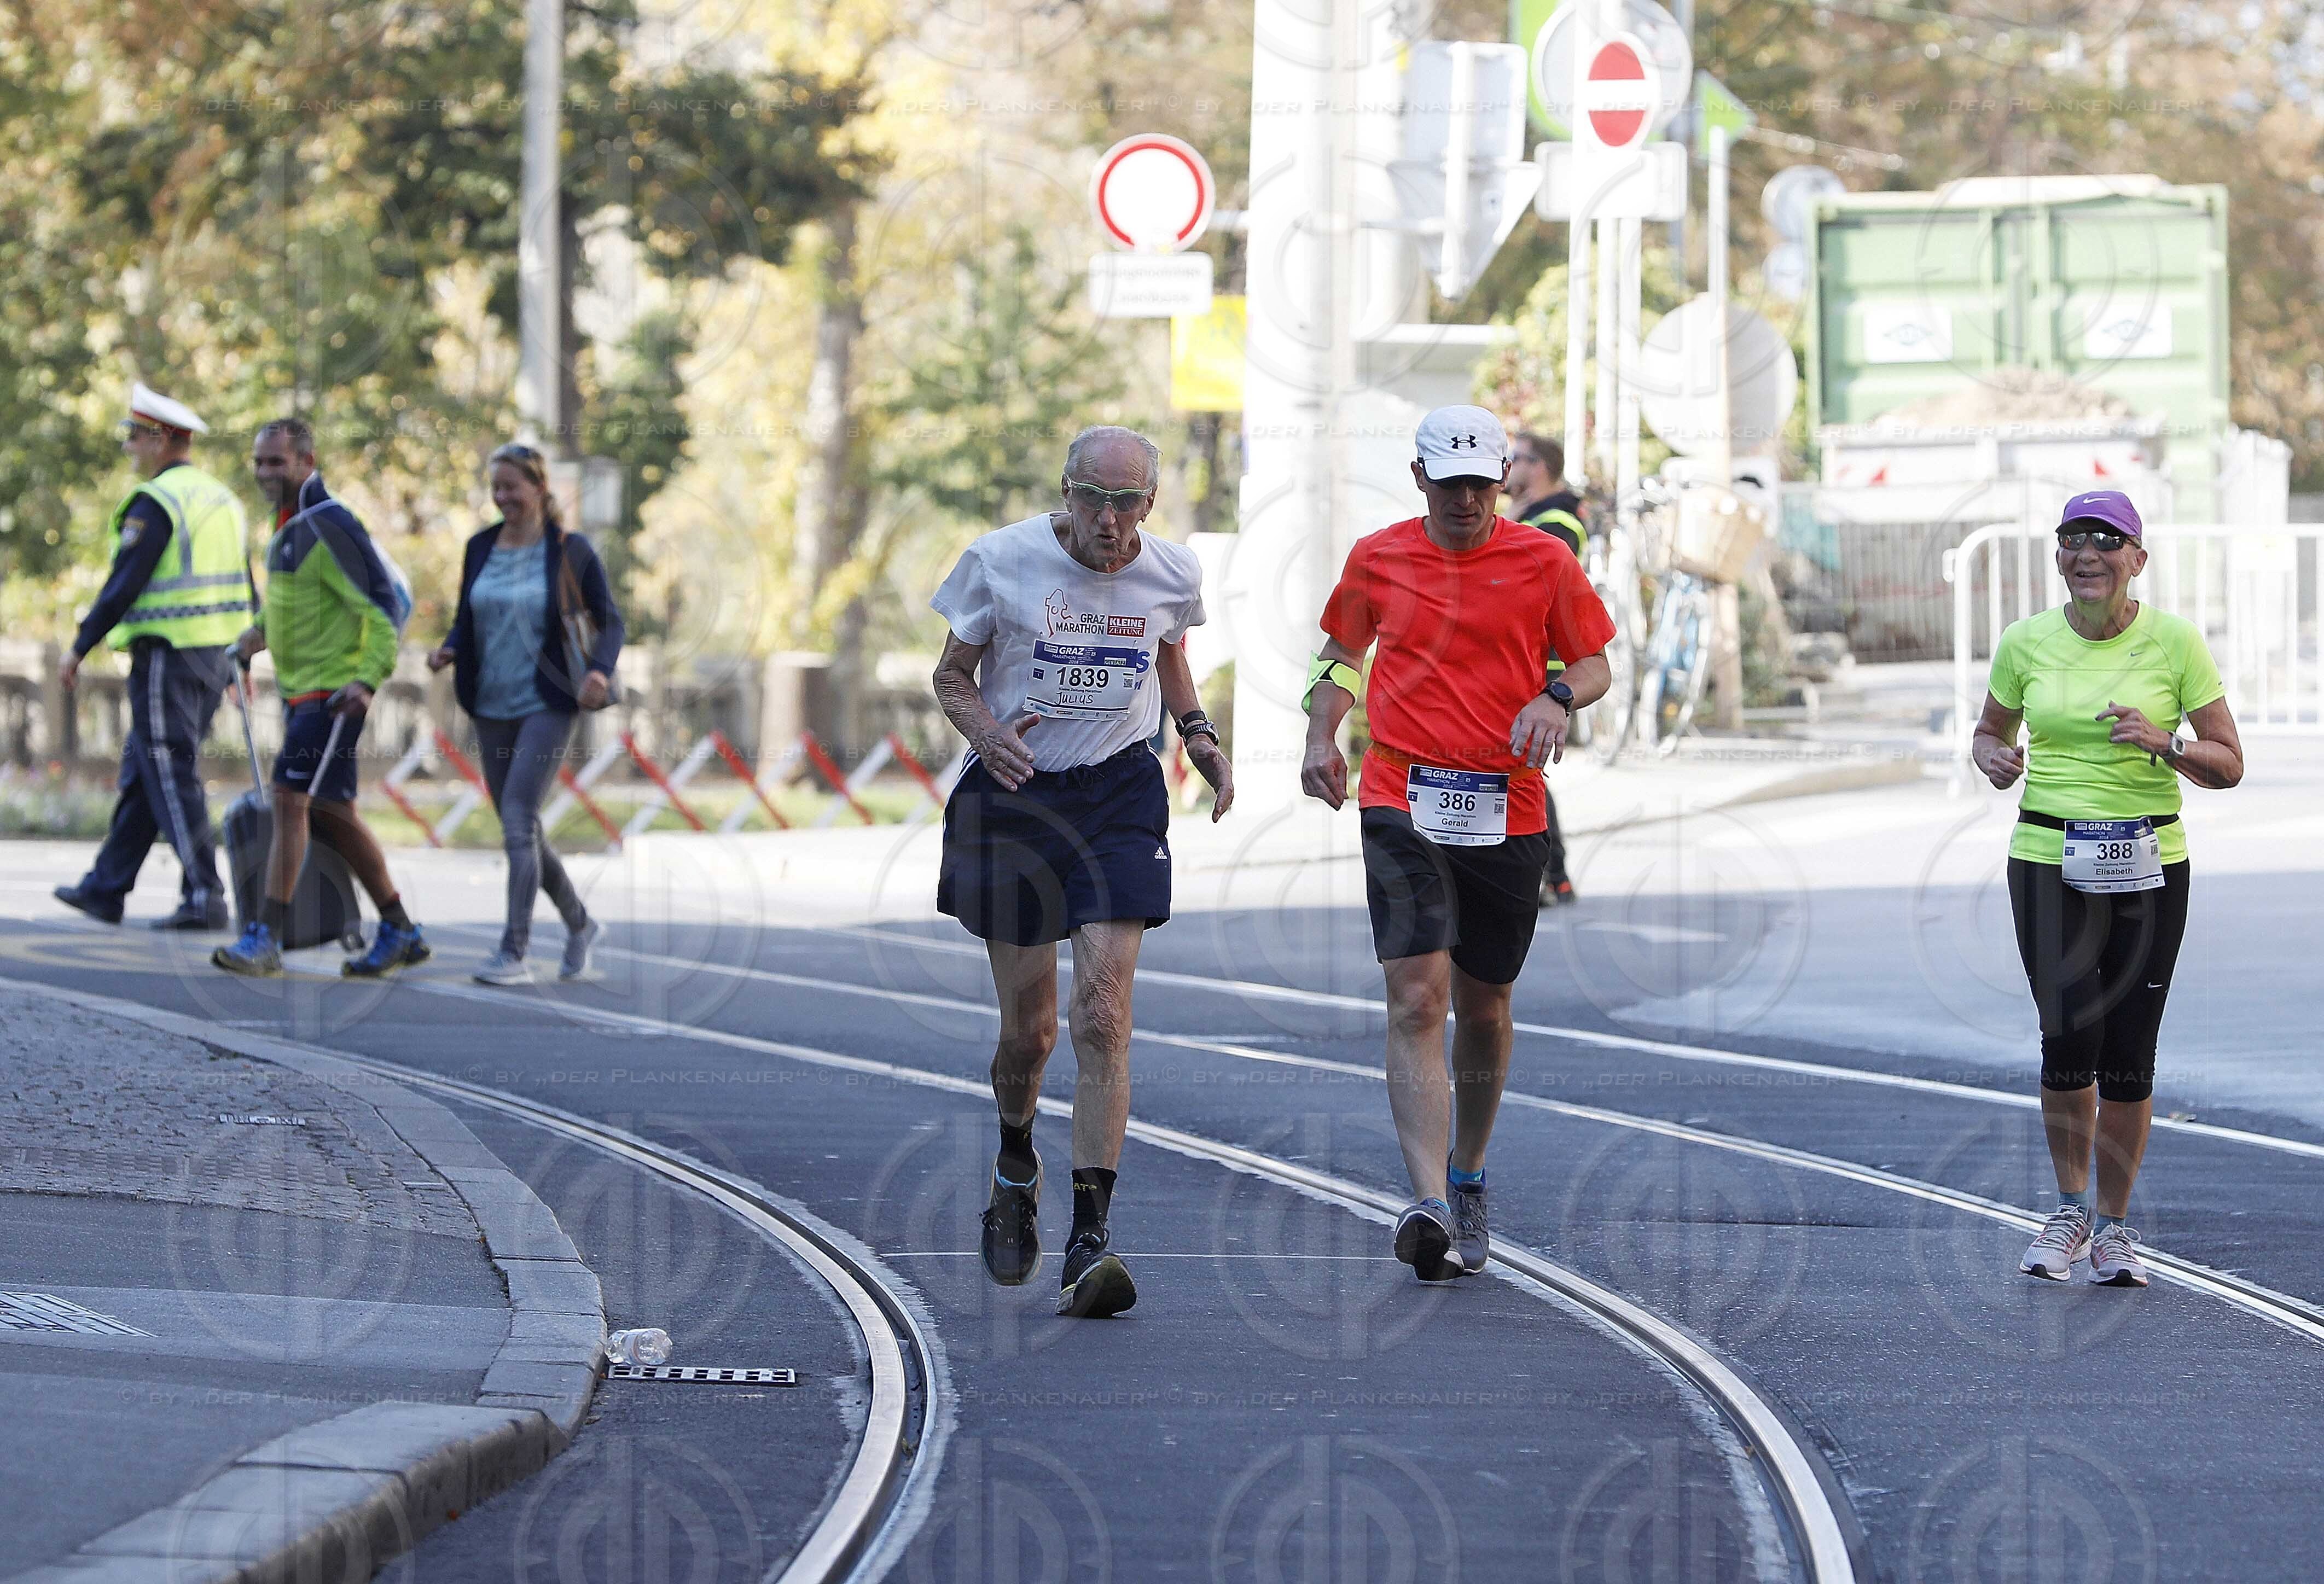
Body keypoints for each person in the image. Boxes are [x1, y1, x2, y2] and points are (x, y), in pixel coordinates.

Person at [1300, 405, 1616, 1282]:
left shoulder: (1544, 560)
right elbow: (1338, 656)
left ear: (1503, 479)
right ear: (1420, 479)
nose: (1469, 500)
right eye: (1451, 485)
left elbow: (1595, 663)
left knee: (1484, 1009)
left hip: (1506, 805)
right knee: (1416, 1000)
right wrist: (1322, 736)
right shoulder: (1380, 555)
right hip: (1401, 792)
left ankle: (1469, 1174)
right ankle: (1430, 1200)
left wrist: (1556, 697)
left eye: (1483, 483)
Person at [929, 425, 1233, 1319]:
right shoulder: (1000, 561)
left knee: (1104, 1010)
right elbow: (950, 676)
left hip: (1116, 796)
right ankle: (1014, 1157)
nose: (1109, 519)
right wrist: (986, 734)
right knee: (1032, 1033)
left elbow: (1167, 649)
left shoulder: (1172, 572)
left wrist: (1197, 735)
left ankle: (1090, 1237)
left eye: (1128, 501)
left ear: (1151, 502)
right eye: (1093, 498)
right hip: (1015, 799)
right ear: (1065, 492)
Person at [1972, 491, 2242, 1288]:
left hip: (2149, 862)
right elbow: (1991, 730)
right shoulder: (2025, 643)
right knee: (2068, 1040)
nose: (2087, 554)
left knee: (2129, 1051)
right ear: (2058, 558)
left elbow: (2228, 763)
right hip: (2049, 856)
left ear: (2137, 560)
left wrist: (2168, 744)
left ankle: (2118, 1230)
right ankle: (2069, 1209)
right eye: (2071, 541)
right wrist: (1990, 756)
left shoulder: (2175, 643)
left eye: (2106, 540)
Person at [212, 418, 432, 978]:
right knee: (333, 816)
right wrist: (252, 637)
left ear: (307, 461)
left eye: (276, 462)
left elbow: (381, 607)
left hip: (331, 697)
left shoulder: (330, 523)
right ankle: (400, 927)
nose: (264, 472)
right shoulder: (288, 525)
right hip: (301, 694)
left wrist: (367, 680)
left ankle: (265, 937)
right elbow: (294, 604)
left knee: (289, 800)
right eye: (259, 461)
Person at [426, 442, 621, 986]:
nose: (503, 497)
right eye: (497, 487)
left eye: (513, 486)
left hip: (550, 700)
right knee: (523, 827)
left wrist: (599, 671)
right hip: (490, 701)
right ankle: (580, 923)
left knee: (517, 816)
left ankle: (514, 953)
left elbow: (611, 621)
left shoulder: (569, 550)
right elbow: (467, 615)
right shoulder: (480, 546)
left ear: (540, 488)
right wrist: (448, 648)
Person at [52, 385, 245, 931]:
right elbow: (247, 589)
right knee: (148, 767)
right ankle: (106, 887)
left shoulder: (158, 502)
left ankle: (205, 894)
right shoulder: (223, 499)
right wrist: (243, 665)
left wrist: (79, 645)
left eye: (135, 436)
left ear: (162, 439)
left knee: (167, 768)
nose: (130, 447)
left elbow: (124, 584)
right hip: (213, 657)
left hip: (168, 654)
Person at [1504, 433, 1590, 907]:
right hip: (1525, 666)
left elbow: (1529, 570)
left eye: (1514, 459)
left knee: (1524, 771)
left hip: (1542, 672)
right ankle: (1554, 874)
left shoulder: (1556, 518)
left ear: (1538, 467)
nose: (1507, 468)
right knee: (1522, 770)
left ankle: (1552, 874)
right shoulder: (1530, 513)